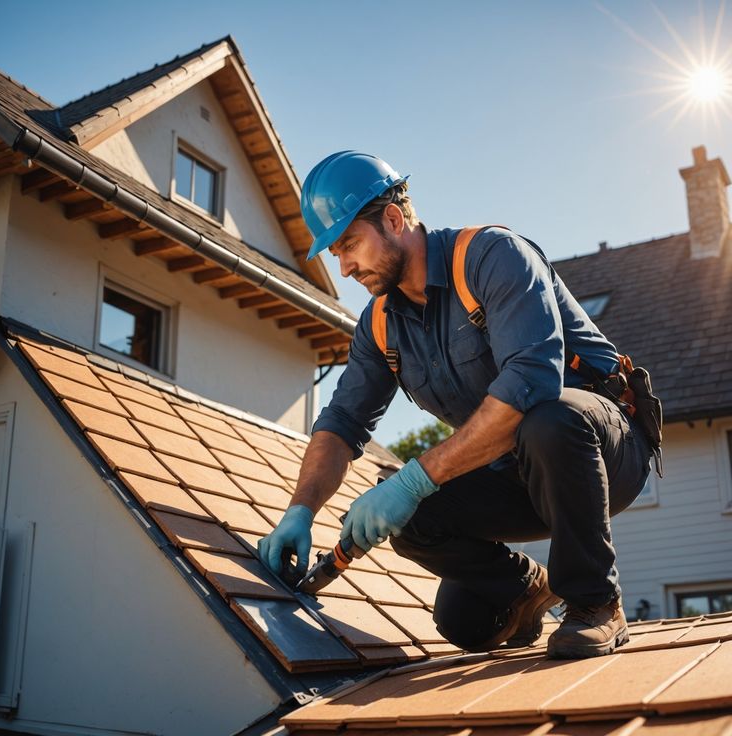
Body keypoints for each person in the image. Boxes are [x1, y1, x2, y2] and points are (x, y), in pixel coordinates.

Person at [258, 151, 653, 659]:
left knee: (548, 419)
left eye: (350, 244)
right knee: (462, 612)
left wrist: (416, 477)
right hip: (516, 473)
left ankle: (596, 605)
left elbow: (530, 385)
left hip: (602, 450)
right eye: (336, 253)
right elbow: (342, 422)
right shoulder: (380, 325)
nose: (345, 266)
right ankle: (525, 589)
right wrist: (300, 510)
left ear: (395, 221)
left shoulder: (494, 257)